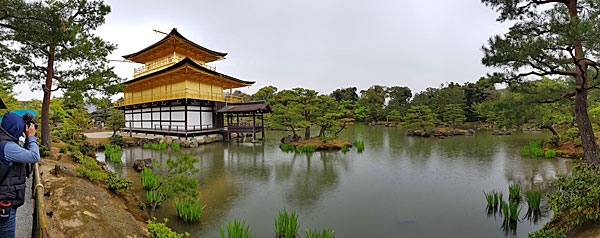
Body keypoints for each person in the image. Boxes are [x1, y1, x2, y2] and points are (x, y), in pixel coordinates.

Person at [0, 112, 40, 238]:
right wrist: (32, 137)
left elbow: (24, 154)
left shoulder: (4, 142)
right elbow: (34, 156)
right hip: (6, 199)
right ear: (15, 127)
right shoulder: (8, 147)